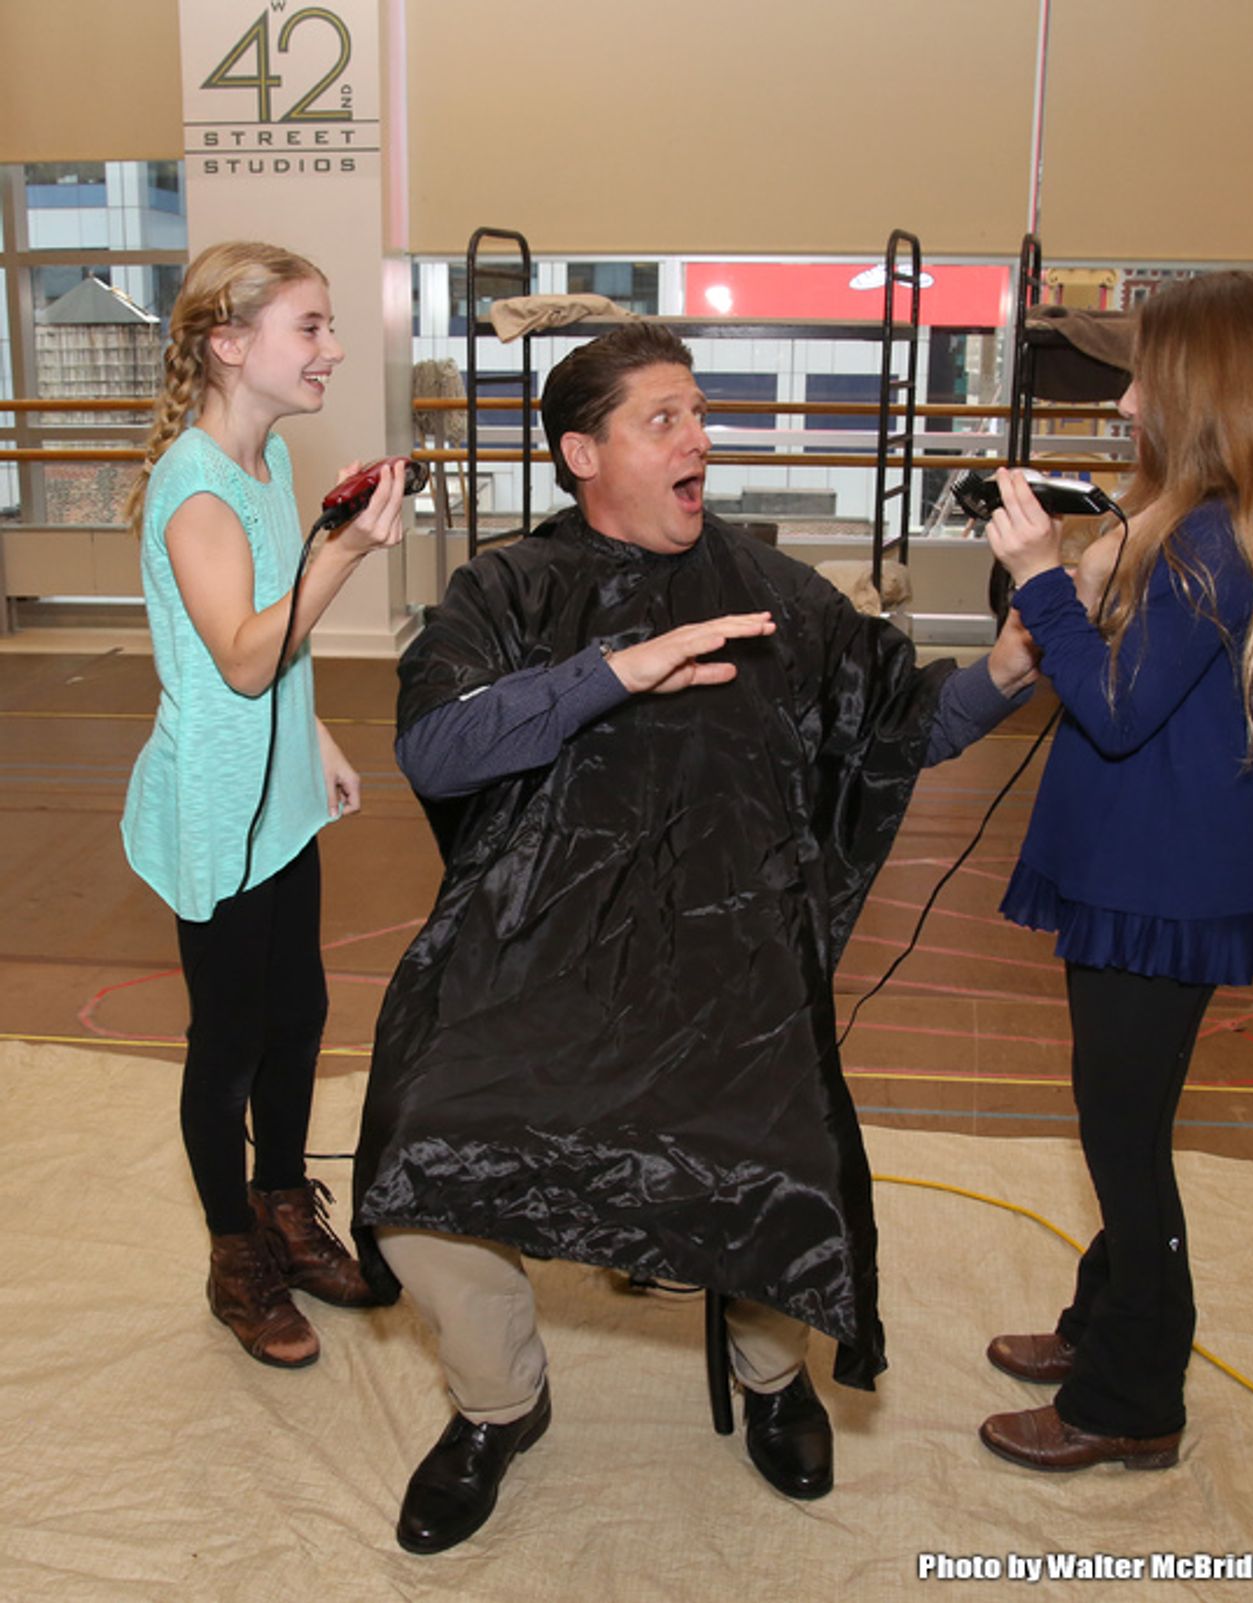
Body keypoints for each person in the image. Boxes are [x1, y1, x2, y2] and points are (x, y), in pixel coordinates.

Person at [352, 320, 1039, 1553]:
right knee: (415, 1157)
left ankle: (773, 1376)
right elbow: (436, 743)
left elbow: (899, 726)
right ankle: (499, 1400)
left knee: (778, 1161)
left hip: (730, 969)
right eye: (662, 418)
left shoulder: (772, 592)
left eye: (697, 413)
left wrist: (1002, 663)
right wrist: (620, 668)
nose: (698, 440)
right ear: (581, 452)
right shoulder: (505, 589)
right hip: (535, 959)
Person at [977, 270, 1253, 1472]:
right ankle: (1100, 1324)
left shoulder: (1210, 540)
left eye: (1148, 373)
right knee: (1123, 1121)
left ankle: (1129, 1396)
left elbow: (1109, 708)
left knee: (1124, 1147)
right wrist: (1061, 577)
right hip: (1139, 868)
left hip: (1156, 887)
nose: (1130, 390)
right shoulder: (1196, 524)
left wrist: (1043, 572)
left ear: (1202, 395)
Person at [122, 241, 407, 1369]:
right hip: (217, 808)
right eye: (311, 328)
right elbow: (240, 659)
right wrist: (344, 550)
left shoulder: (265, 465)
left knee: (299, 1015)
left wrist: (320, 734)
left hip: (279, 794)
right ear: (228, 345)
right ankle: (234, 1251)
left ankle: (286, 1205)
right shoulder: (194, 487)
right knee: (228, 1042)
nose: (331, 349)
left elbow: (267, 657)